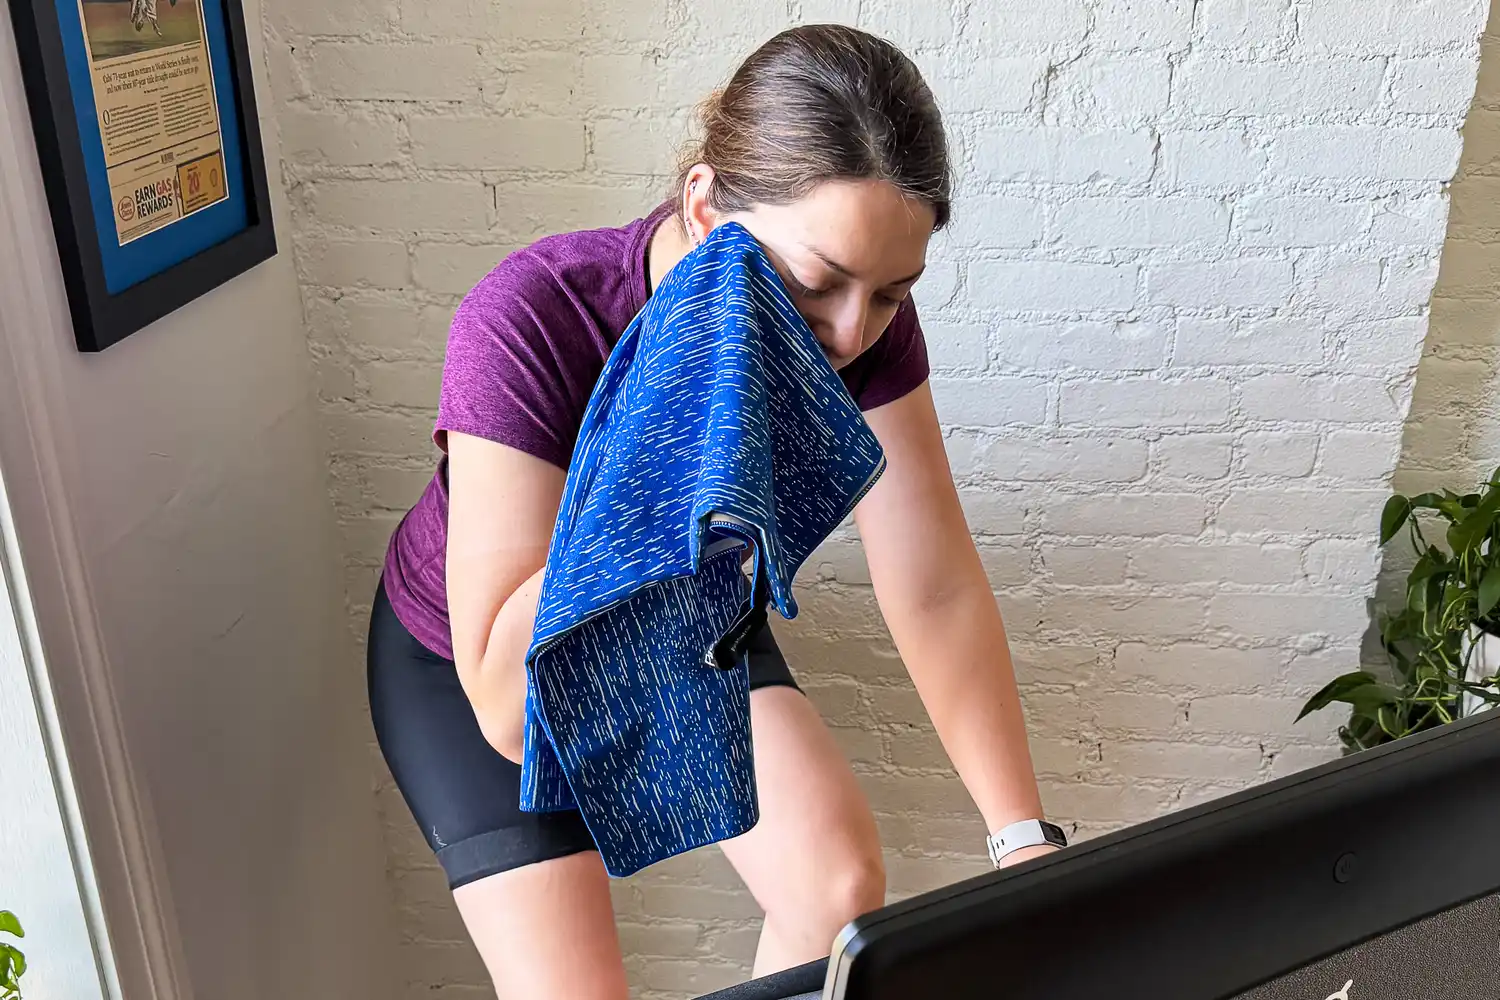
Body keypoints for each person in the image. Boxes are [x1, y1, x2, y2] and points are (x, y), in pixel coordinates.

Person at [368, 24, 1058, 1000]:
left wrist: (1023, 839)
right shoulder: (525, 317)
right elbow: (516, 713)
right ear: (703, 205)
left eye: (894, 294)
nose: (851, 336)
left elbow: (934, 582)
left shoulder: (858, 329)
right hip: (476, 664)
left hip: (688, 613)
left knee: (838, 889)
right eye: (815, 283)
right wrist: (673, 410)